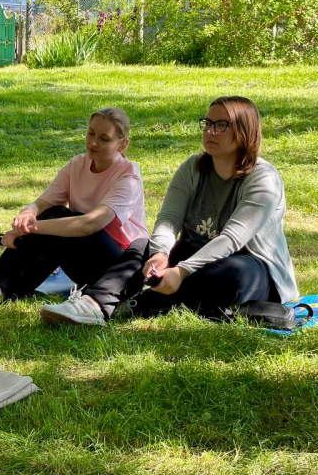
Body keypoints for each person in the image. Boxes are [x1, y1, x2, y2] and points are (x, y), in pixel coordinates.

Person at [41, 96, 298, 326]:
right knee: (143, 245)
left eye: (221, 125)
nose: (210, 130)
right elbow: (168, 220)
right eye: (207, 123)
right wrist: (161, 254)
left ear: (244, 131)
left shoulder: (263, 179)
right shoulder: (193, 168)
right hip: (193, 255)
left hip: (249, 264)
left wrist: (181, 271)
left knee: (232, 275)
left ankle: (144, 303)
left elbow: (232, 239)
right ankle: (95, 304)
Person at [0, 107, 148, 303]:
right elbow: (44, 202)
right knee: (56, 214)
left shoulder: (128, 177)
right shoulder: (77, 164)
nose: (93, 142)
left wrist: (28, 230)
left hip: (120, 269)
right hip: (84, 254)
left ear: (123, 145)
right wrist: (28, 213)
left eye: (104, 139)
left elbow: (88, 225)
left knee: (60, 217)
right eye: (90, 133)